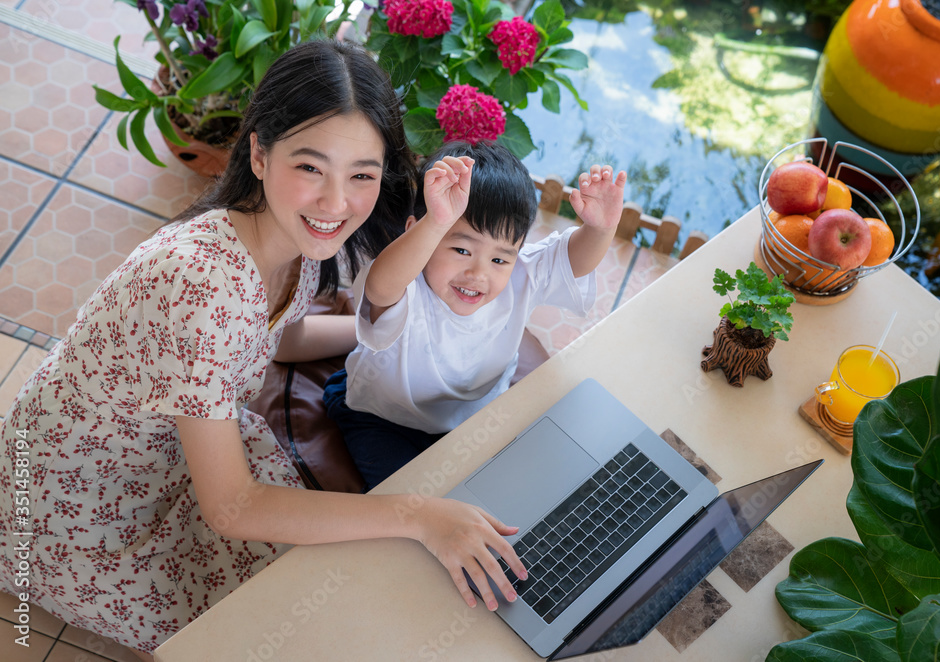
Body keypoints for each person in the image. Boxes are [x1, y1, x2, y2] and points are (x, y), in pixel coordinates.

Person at [0, 40, 527, 660]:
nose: (336, 204)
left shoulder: (284, 243)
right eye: (310, 167)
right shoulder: (196, 285)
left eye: (361, 175)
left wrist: (392, 335)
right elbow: (231, 506)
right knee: (292, 628)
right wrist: (419, 514)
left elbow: (280, 337)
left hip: (181, 450)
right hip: (84, 514)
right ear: (257, 151)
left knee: (345, 583)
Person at [324, 141, 627, 490]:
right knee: (415, 503)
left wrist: (600, 229)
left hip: (474, 421)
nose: (478, 273)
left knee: (516, 488)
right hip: (383, 419)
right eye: (462, 249)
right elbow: (379, 289)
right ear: (418, 232)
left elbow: (573, 262)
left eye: (499, 258)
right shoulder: (406, 282)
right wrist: (437, 220)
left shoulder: (521, 275)